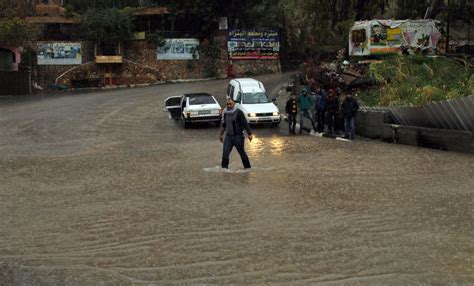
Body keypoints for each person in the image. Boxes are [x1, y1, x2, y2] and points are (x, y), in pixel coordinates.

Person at [219, 98, 253, 169]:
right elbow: (224, 125)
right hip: (228, 137)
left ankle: (248, 169)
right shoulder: (225, 113)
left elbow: (245, 123)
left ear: (234, 104)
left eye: (230, 104)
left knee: (242, 153)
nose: (229, 106)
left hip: (238, 137)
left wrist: (249, 134)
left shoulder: (239, 112)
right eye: (227, 104)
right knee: (225, 154)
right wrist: (221, 134)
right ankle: (224, 170)